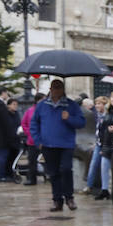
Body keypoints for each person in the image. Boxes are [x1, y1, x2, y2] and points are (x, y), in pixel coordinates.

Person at [30, 79, 86, 212]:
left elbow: (81, 122)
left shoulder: (71, 105)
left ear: (63, 90)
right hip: (48, 145)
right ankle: (57, 200)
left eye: (59, 88)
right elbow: (34, 124)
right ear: (50, 89)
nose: (56, 90)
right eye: (54, 88)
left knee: (66, 169)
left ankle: (69, 197)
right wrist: (38, 141)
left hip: (66, 144)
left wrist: (69, 119)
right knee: (53, 173)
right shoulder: (42, 105)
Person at [82, 96, 109, 195]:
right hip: (98, 143)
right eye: (96, 103)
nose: (97, 106)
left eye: (99, 104)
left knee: (104, 166)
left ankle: (104, 188)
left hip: (105, 144)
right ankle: (89, 185)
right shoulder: (96, 115)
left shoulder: (106, 116)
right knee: (93, 164)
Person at [20, 92, 45, 185]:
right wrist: (29, 133)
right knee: (32, 161)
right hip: (32, 140)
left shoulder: (46, 110)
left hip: (45, 140)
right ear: (38, 100)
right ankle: (32, 179)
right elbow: (24, 123)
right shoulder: (30, 111)